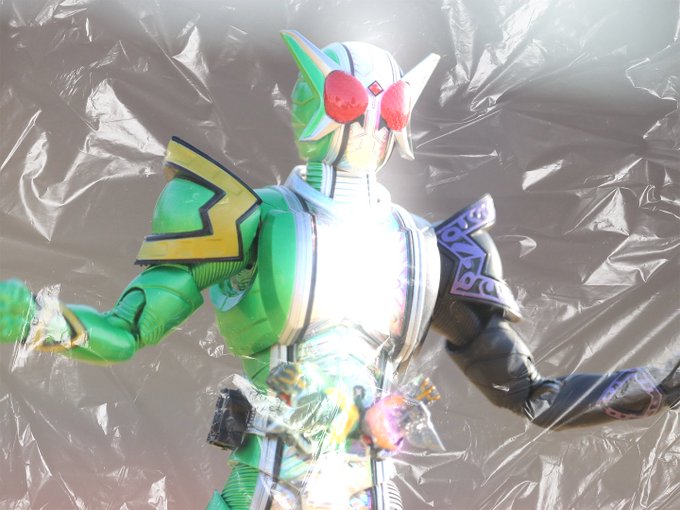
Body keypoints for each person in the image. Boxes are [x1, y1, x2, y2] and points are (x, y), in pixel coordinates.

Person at [1, 31, 677, 510]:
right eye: (350, 99)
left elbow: (530, 394)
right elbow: (127, 331)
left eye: (381, 107)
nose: (367, 121)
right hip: (261, 488)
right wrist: (36, 319)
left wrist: (662, 386)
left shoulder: (427, 249)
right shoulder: (250, 217)